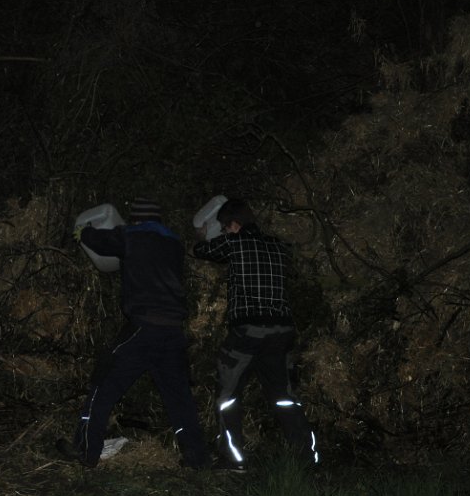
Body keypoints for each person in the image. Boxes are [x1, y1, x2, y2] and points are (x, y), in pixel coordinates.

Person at [57, 197, 207, 469]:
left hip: (143, 327)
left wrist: (84, 232)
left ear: (136, 219)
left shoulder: (133, 235)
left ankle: (86, 450)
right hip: (173, 331)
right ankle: (196, 457)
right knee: (179, 397)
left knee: (104, 382)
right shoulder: (174, 243)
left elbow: (103, 241)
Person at [192, 198, 319, 471]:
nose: (224, 232)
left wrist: (201, 236)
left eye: (225, 228)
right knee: (284, 396)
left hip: (248, 330)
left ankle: (233, 459)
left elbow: (201, 250)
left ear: (234, 225)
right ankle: (307, 459)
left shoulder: (234, 243)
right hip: (281, 330)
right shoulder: (279, 246)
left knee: (227, 394)